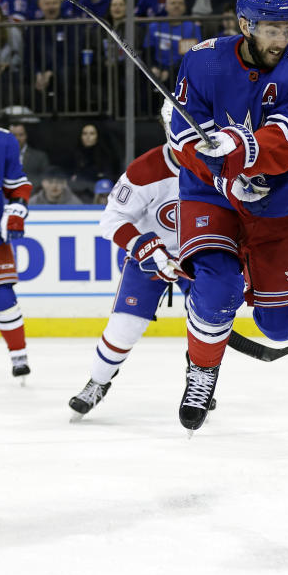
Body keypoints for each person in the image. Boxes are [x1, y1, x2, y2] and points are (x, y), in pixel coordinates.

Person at [168, 0, 288, 432]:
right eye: (270, 29)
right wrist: (221, 176)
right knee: (219, 290)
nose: (280, 39)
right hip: (207, 193)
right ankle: (202, 370)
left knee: (279, 328)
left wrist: (235, 146)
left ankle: (261, 292)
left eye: (287, 28)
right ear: (244, 24)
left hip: (272, 200)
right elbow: (181, 139)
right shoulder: (202, 60)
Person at [69, 101, 192, 419]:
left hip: (201, 255)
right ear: (167, 129)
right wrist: (147, 248)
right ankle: (98, 383)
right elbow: (111, 220)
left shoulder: (220, 165)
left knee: (207, 322)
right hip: (150, 256)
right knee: (125, 325)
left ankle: (200, 384)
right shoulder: (145, 170)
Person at [0, 124, 32, 382]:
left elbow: (17, 184)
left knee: (3, 297)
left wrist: (17, 209)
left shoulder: (4, 140)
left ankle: (18, 356)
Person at [144, 0, 201, 85]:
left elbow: (189, 57)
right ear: (165, 7)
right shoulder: (154, 26)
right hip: (156, 69)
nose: (177, 6)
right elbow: (148, 51)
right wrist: (153, 67)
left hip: (179, 71)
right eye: (173, 3)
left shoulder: (192, 28)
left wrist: (169, 71)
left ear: (185, 8)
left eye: (180, 3)